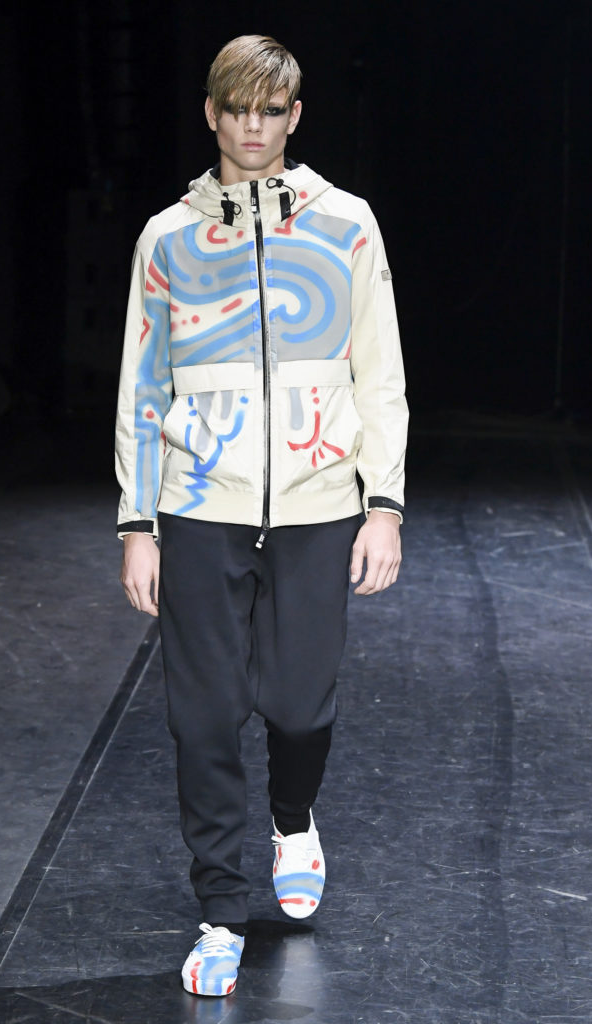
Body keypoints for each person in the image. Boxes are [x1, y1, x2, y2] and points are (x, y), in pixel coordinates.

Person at [115, 34, 408, 998]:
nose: (252, 126)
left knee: (297, 703)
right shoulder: (167, 238)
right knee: (201, 719)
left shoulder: (347, 224)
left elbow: (379, 371)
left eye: (269, 110)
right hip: (198, 503)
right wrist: (137, 523)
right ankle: (219, 912)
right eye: (236, 109)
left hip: (319, 503)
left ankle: (292, 819)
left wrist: (382, 503)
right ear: (212, 114)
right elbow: (141, 386)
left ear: (293, 116)